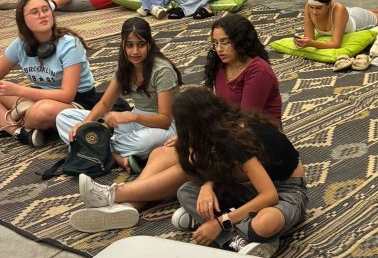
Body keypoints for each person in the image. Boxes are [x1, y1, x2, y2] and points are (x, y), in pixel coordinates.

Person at [69, 17, 281, 234]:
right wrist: (194, 137)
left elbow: (244, 123)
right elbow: (220, 114)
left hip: (253, 148)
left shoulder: (258, 71)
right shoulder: (221, 67)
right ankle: (130, 206)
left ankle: (114, 194)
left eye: (225, 42)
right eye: (215, 43)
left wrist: (204, 143)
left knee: (188, 164)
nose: (219, 49)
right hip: (229, 138)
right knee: (161, 153)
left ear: (241, 41)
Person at [172, 88, 308, 258]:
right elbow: (223, 168)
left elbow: (270, 196)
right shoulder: (219, 130)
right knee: (186, 190)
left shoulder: (236, 137)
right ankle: (239, 235)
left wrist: (220, 223)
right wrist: (207, 186)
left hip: (287, 191)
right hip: (251, 187)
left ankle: (233, 230)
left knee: (265, 223)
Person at [57, 17, 180, 177]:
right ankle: (115, 155)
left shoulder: (162, 70)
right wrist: (85, 124)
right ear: (123, 45)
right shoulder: (125, 68)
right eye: (129, 45)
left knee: (142, 143)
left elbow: (164, 120)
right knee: (63, 117)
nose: (135, 51)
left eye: (141, 45)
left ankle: (89, 146)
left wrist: (132, 117)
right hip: (133, 123)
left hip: (163, 128)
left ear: (149, 44)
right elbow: (105, 104)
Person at [0, 0, 96, 147]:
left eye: (45, 9)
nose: (42, 15)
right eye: (34, 12)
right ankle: (19, 132)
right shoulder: (20, 45)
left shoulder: (70, 44)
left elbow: (67, 95)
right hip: (38, 97)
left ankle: (17, 116)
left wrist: (19, 91)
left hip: (75, 101)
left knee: (40, 112)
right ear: (22, 20)